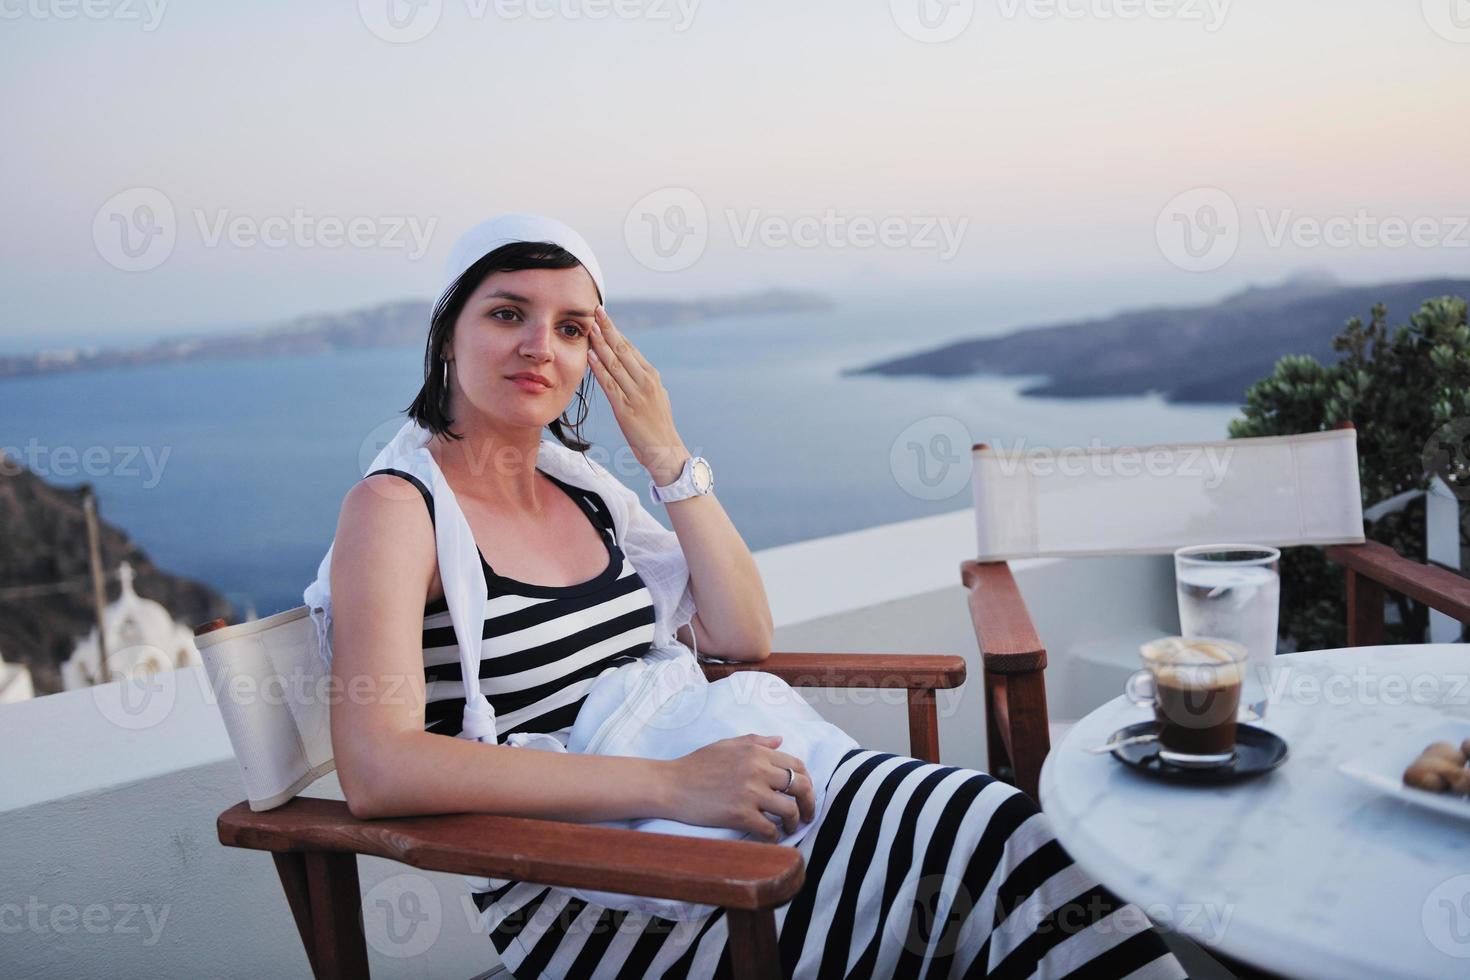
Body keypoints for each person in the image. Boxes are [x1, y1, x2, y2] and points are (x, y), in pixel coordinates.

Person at [325, 214, 1186, 978]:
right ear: (448, 334)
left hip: (705, 807)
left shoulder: (586, 494)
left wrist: (667, 458)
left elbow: (742, 631)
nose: (540, 346)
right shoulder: (399, 510)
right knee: (982, 853)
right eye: (507, 313)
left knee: (997, 826)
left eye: (573, 328)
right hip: (588, 885)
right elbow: (379, 766)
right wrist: (667, 786)